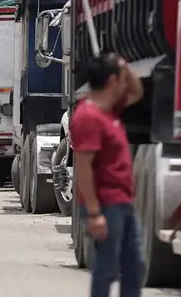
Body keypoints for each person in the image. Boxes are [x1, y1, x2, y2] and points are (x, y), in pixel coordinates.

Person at [70, 54, 145, 297]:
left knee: (134, 266)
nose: (126, 83)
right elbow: (83, 166)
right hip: (105, 204)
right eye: (122, 78)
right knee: (107, 268)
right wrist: (94, 213)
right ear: (113, 81)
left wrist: (124, 67)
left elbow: (138, 91)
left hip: (122, 201)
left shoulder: (110, 111)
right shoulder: (88, 117)